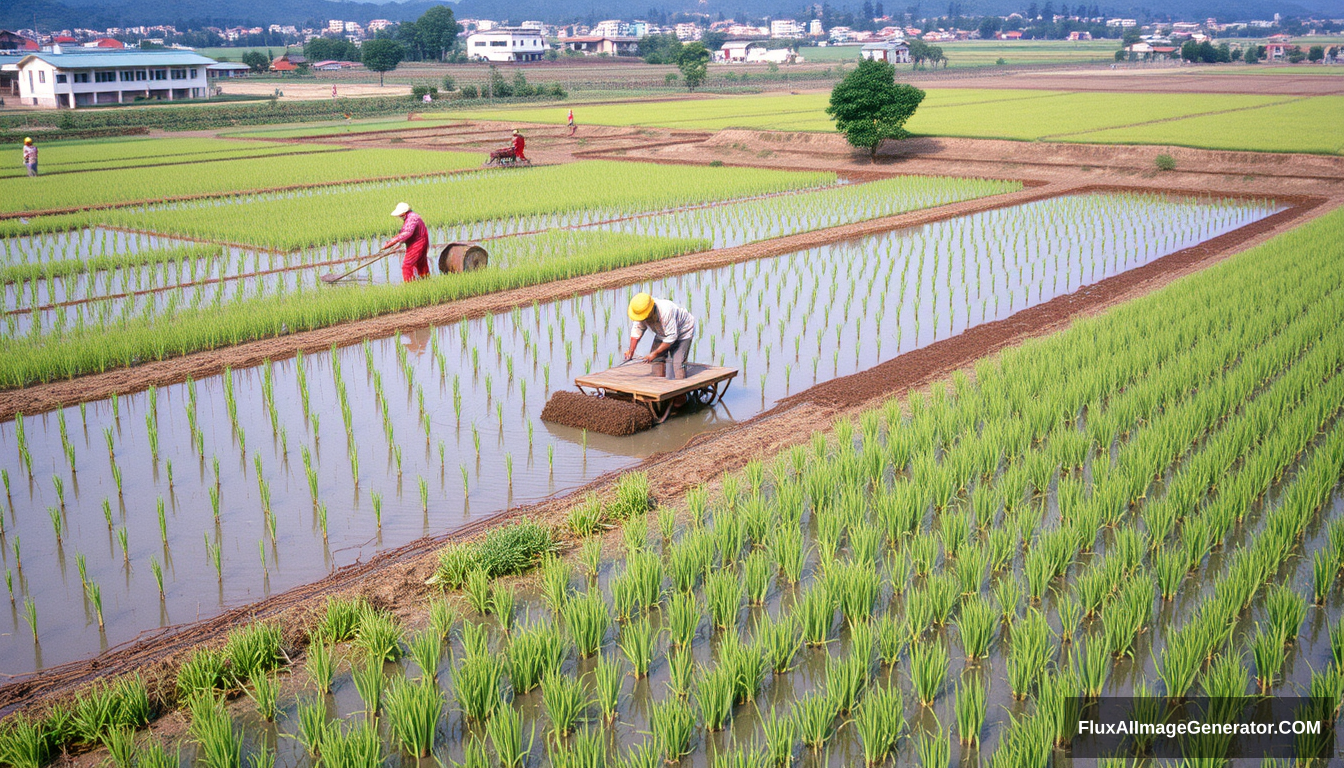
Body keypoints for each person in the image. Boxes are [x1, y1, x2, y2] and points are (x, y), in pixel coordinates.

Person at [625, 292, 695, 386]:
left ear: (650, 311)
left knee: (678, 364)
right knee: (656, 360)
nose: (643, 319)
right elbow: (637, 330)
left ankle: (681, 395)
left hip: (683, 332)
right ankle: (659, 387)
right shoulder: (641, 314)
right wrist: (631, 351)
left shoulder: (666, 311)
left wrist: (654, 353)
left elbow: (671, 337)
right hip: (661, 332)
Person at [384, 202, 430, 282]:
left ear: (404, 212)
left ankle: (409, 285)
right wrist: (399, 242)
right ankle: (427, 282)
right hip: (421, 242)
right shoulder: (412, 216)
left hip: (417, 244)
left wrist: (392, 242)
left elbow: (407, 233)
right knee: (421, 265)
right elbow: (407, 234)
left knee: (407, 265)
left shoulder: (412, 219)